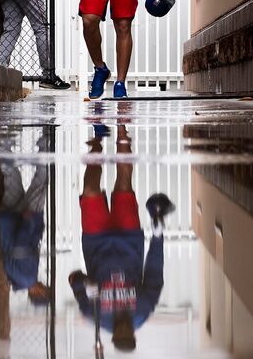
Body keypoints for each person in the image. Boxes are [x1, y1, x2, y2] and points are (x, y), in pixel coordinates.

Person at [68, 124, 175, 352]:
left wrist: (86, 284)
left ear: (113, 336)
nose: (124, 328)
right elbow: (155, 272)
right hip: (129, 239)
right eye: (129, 332)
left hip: (96, 241)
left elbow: (73, 279)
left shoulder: (94, 314)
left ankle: (97, 143)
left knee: (89, 189)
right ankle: (122, 129)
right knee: (125, 184)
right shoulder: (143, 310)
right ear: (134, 334)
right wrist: (158, 235)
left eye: (119, 333)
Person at [0, 162, 50, 306]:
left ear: (40, 293)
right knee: (11, 177)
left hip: (23, 219)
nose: (45, 285)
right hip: (7, 220)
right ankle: (4, 148)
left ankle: (44, 150)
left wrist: (28, 222)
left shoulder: (28, 277)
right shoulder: (17, 280)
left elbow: (21, 247)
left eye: (46, 288)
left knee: (42, 183)